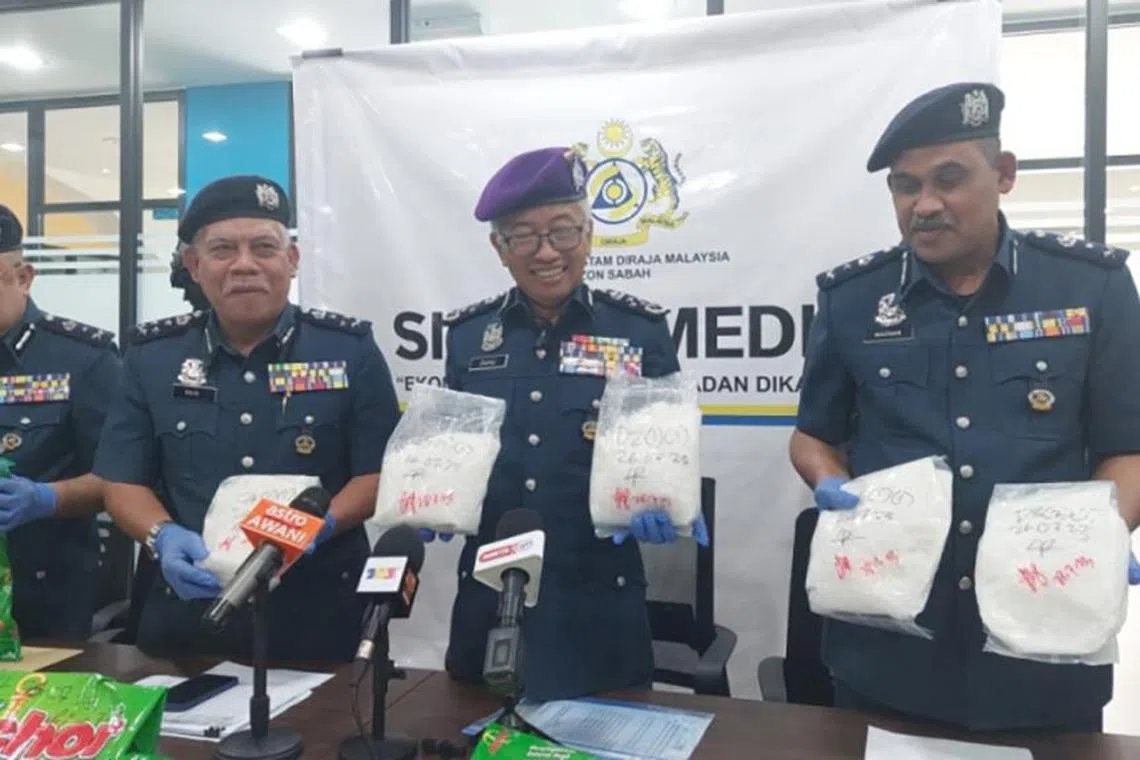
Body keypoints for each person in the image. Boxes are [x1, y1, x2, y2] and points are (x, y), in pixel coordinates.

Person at [790, 82, 1140, 732]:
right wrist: (830, 483)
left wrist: (1102, 534)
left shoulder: (1091, 287)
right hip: (888, 650)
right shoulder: (853, 299)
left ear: (1003, 174)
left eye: (948, 179)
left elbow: (1129, 447)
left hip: (1046, 647)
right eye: (905, 186)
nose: (924, 205)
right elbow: (813, 435)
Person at [429, 146, 708, 702]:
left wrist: (667, 500)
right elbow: (457, 449)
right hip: (490, 595)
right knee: (467, 732)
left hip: (597, 602)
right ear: (499, 248)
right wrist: (433, 496)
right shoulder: (468, 338)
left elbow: (665, 447)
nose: (547, 252)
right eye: (524, 236)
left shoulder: (639, 331)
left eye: (563, 231)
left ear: (589, 234)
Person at [94, 175, 401, 662]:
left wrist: (321, 525)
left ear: (292, 260)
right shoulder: (151, 357)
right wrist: (162, 536)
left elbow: (378, 473)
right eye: (222, 250)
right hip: (187, 616)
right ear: (194, 265)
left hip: (319, 615)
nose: (244, 265)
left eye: (264, 247)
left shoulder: (349, 351)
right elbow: (122, 481)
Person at [0, 204, 121, 640]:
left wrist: (46, 498)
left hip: (40, 601)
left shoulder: (83, 360)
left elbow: (124, 479)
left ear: (24, 277)